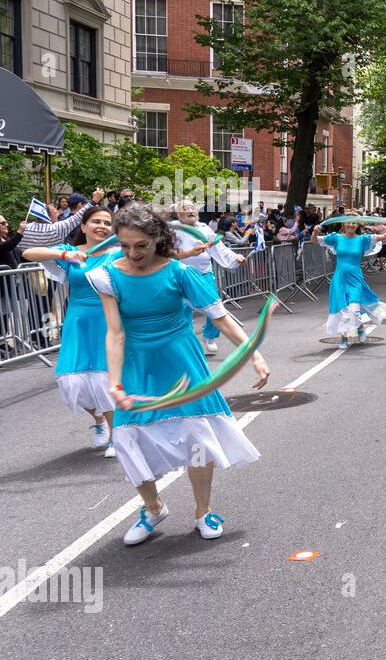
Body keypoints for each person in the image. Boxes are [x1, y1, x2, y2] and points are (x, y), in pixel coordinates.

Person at [86, 204, 269, 546]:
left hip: (181, 361)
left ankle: (203, 511)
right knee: (127, 437)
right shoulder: (108, 275)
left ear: (157, 239)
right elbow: (115, 333)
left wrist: (253, 354)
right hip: (136, 364)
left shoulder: (179, 273)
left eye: (140, 245)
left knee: (197, 439)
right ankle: (153, 508)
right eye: (124, 245)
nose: (132, 252)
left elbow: (219, 317)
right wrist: (114, 382)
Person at [20, 206, 122, 457]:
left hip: (109, 320)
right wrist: (67, 257)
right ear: (83, 226)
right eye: (96, 221)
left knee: (102, 379)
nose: (102, 226)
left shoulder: (119, 253)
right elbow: (28, 252)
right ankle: (98, 420)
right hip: (78, 321)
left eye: (107, 223)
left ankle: (117, 437)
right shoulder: (70, 251)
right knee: (72, 380)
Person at [311, 214, 386, 348]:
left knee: (353, 309)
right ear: (344, 224)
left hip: (355, 278)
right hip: (339, 278)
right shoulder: (336, 238)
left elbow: (383, 236)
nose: (351, 225)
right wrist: (315, 232)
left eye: (354, 223)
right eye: (348, 223)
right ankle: (344, 338)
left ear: (358, 225)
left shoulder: (363, 239)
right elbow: (314, 241)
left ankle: (359, 327)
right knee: (342, 308)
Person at [172, 202, 246, 355]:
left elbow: (218, 248)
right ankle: (189, 343)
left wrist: (235, 257)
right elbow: (166, 252)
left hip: (204, 273)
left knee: (214, 304)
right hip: (180, 275)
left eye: (192, 208)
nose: (190, 211)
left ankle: (210, 336)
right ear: (178, 214)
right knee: (183, 309)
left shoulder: (204, 229)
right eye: (185, 209)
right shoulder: (173, 229)